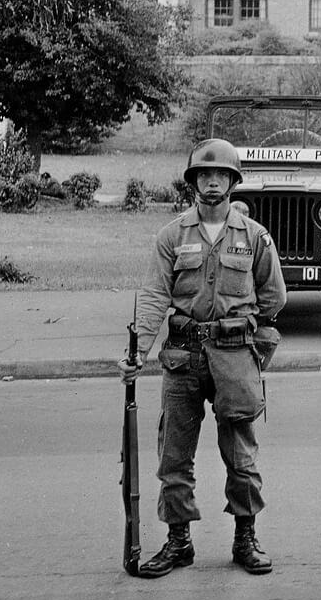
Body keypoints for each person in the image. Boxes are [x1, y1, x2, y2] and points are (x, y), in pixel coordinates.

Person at [118, 139, 285, 577]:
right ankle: (178, 542)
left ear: (232, 182)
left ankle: (245, 538)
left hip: (234, 356)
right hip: (182, 357)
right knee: (174, 456)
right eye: (204, 175)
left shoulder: (254, 237)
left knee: (241, 455)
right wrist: (138, 351)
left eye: (221, 175)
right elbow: (155, 296)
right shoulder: (172, 235)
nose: (212, 182)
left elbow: (273, 298)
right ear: (193, 182)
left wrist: (256, 348)